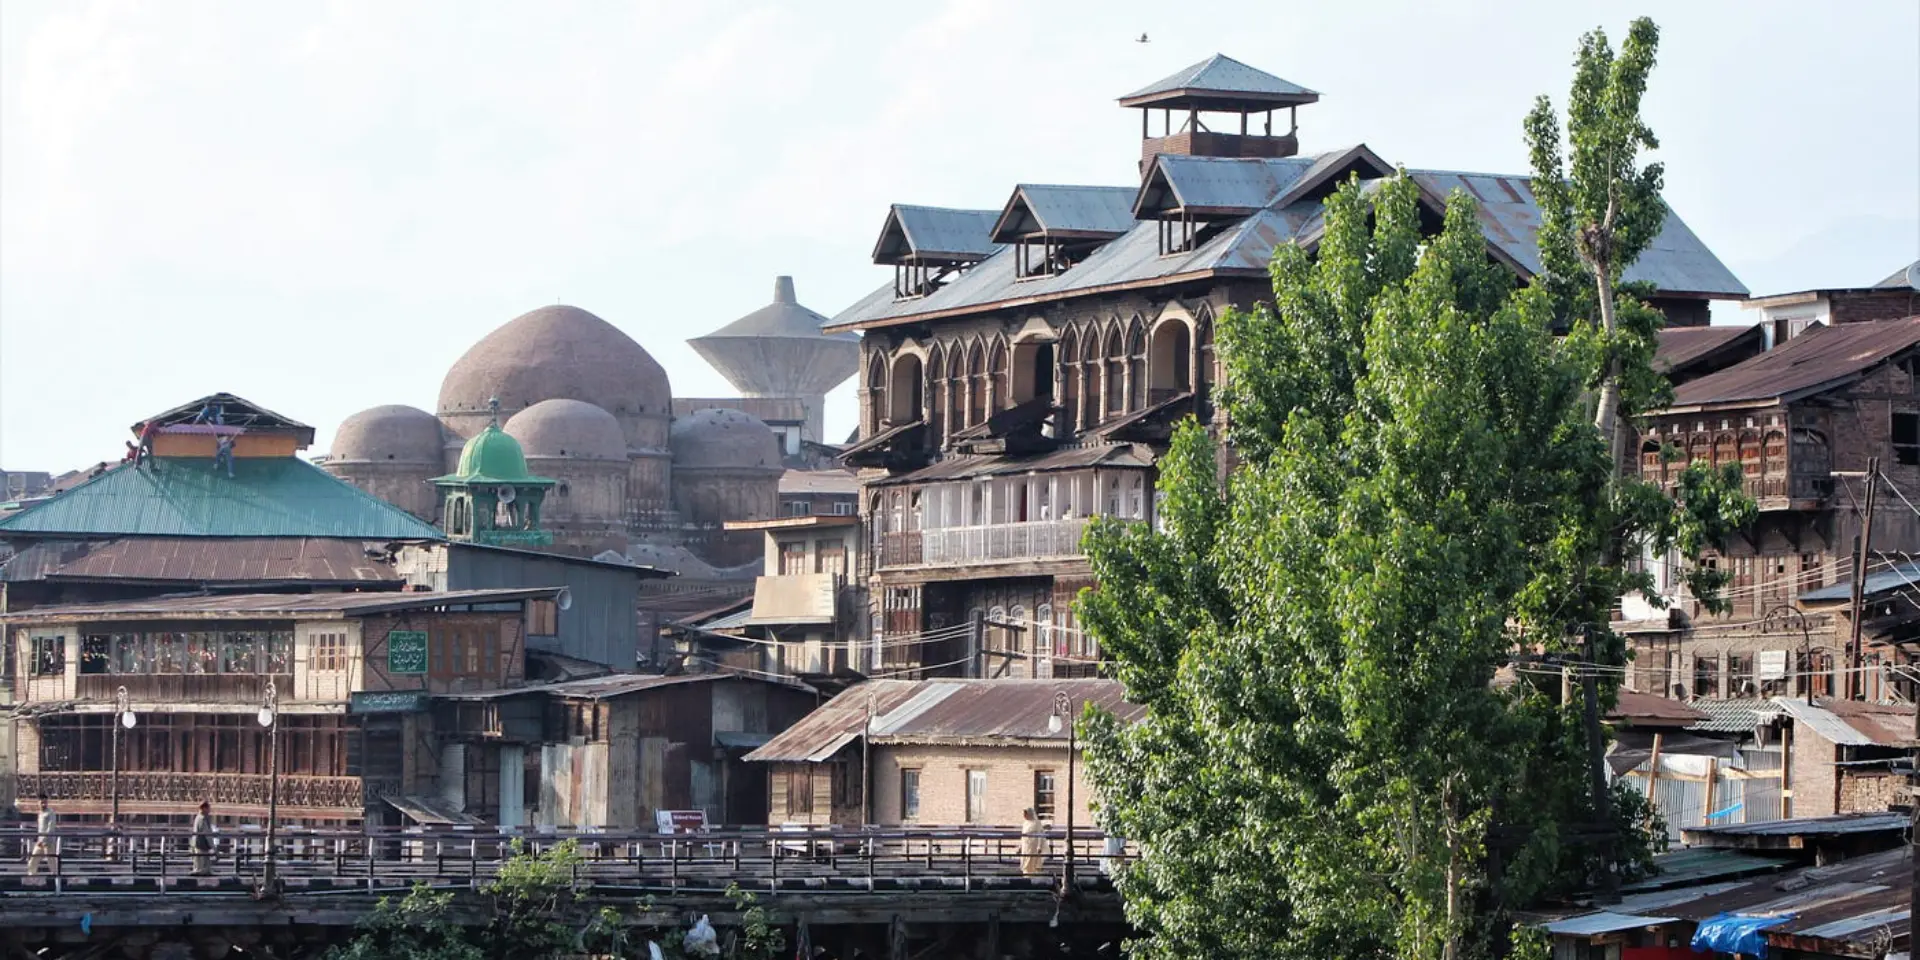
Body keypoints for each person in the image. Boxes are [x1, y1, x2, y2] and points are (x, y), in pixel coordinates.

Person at [25, 796, 56, 876]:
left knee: (51, 862)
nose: (43, 804)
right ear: (38, 803)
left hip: (48, 842)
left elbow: (50, 828)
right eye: (42, 802)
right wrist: (40, 840)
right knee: (33, 860)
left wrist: (42, 840)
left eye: (45, 802)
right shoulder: (40, 813)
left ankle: (57, 878)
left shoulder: (50, 813)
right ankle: (31, 876)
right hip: (40, 842)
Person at [1019, 807, 1047, 876]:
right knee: (1025, 861)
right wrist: (1020, 846)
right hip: (1026, 846)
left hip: (1033, 847)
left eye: (1026, 814)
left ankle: (1033, 876)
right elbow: (1023, 835)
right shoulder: (1025, 823)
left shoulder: (1036, 823)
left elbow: (1040, 834)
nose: (1024, 815)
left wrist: (1039, 846)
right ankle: (1026, 876)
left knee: (1032, 861)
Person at [190, 801, 215, 876]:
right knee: (202, 867)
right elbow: (207, 834)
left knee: (199, 864)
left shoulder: (197, 817)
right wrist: (213, 847)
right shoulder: (202, 819)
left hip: (196, 844)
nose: (209, 810)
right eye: (208, 808)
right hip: (201, 845)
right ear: (204, 808)